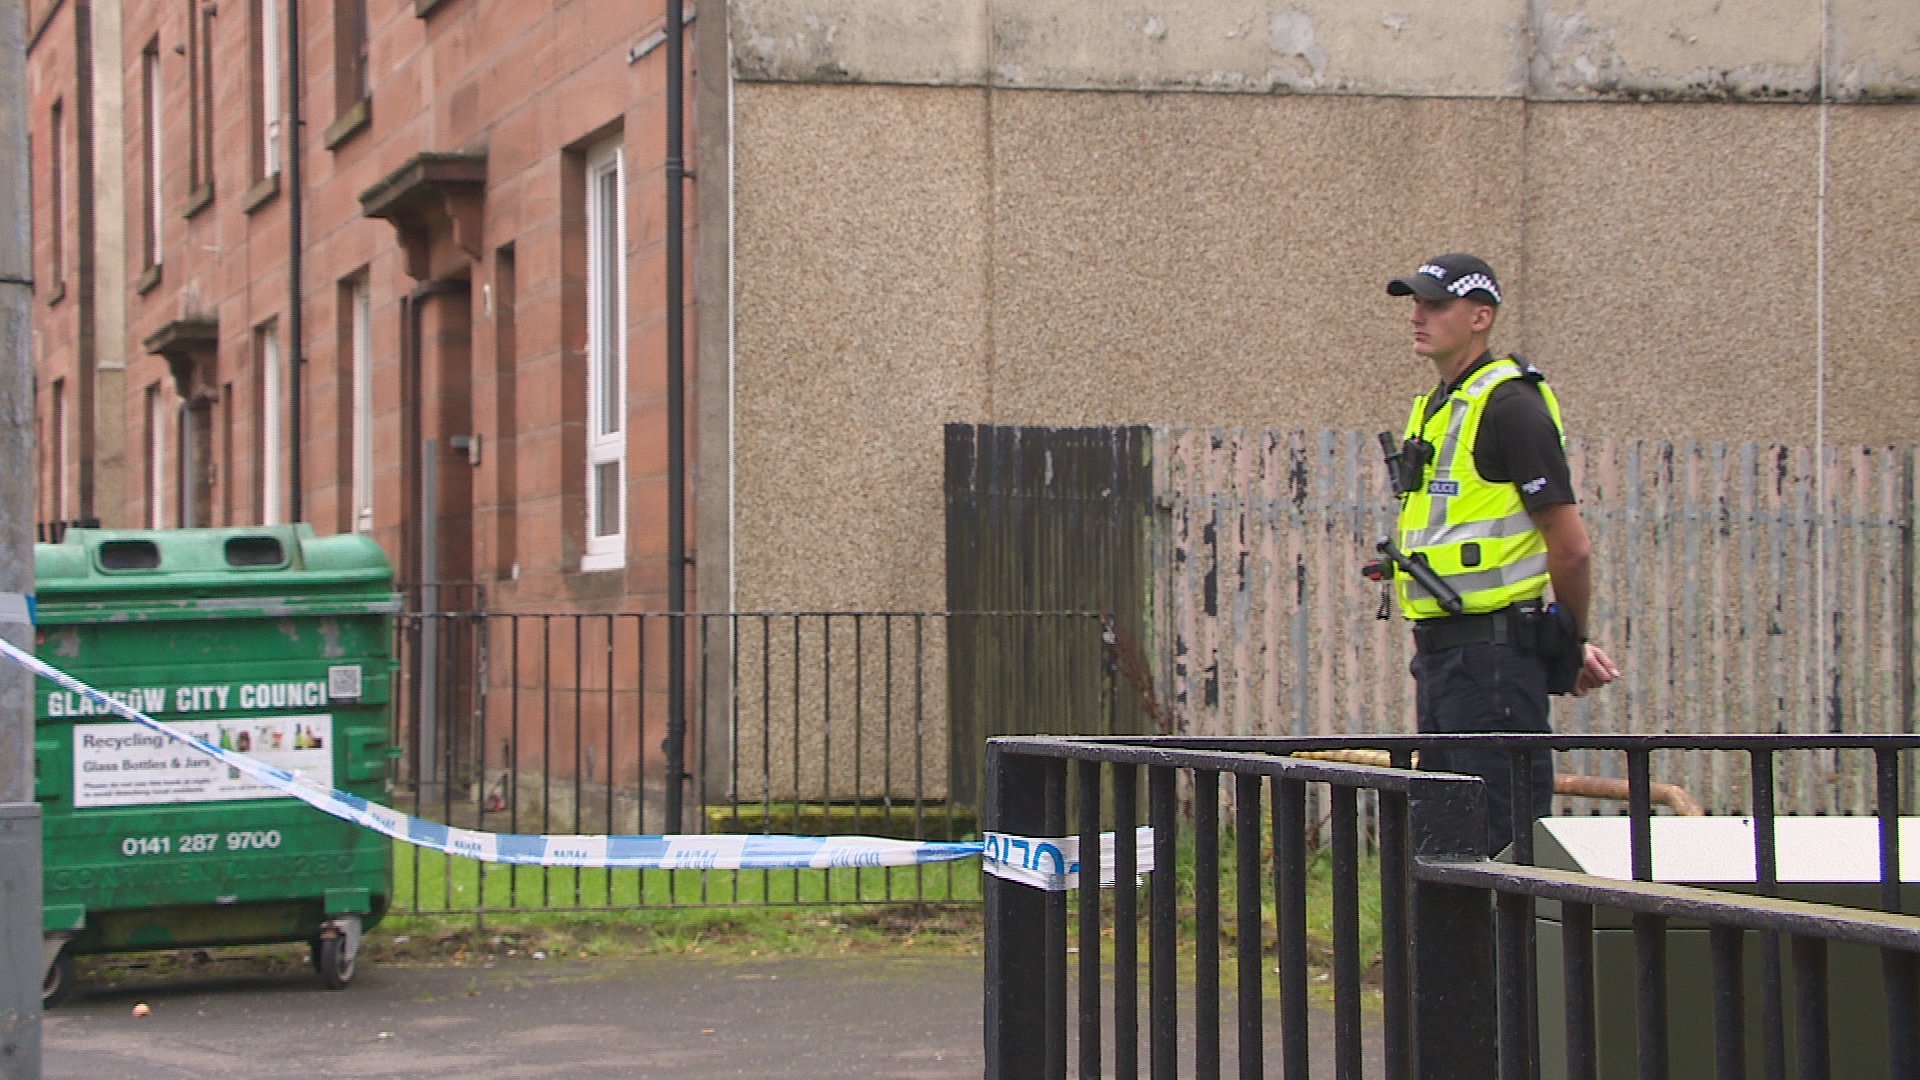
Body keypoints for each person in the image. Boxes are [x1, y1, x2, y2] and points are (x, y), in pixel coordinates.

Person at [1380, 253, 1619, 854]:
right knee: (1443, 849)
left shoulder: (1510, 407)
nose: (1418, 315)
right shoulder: (1441, 407)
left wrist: (1566, 638)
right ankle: (1444, 953)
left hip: (1489, 669)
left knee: (1496, 849)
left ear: (1481, 316)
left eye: (1436, 304)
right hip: (1444, 662)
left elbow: (1572, 550)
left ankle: (1506, 953)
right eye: (1415, 303)